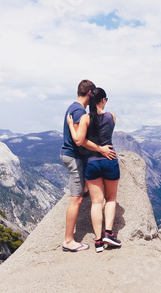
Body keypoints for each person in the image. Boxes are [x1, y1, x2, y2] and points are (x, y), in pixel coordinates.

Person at [60, 80, 116, 252]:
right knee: (76, 199)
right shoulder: (79, 112)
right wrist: (101, 149)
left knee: (83, 194)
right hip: (74, 156)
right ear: (91, 93)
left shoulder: (75, 108)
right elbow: (80, 141)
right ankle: (68, 240)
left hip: (76, 158)